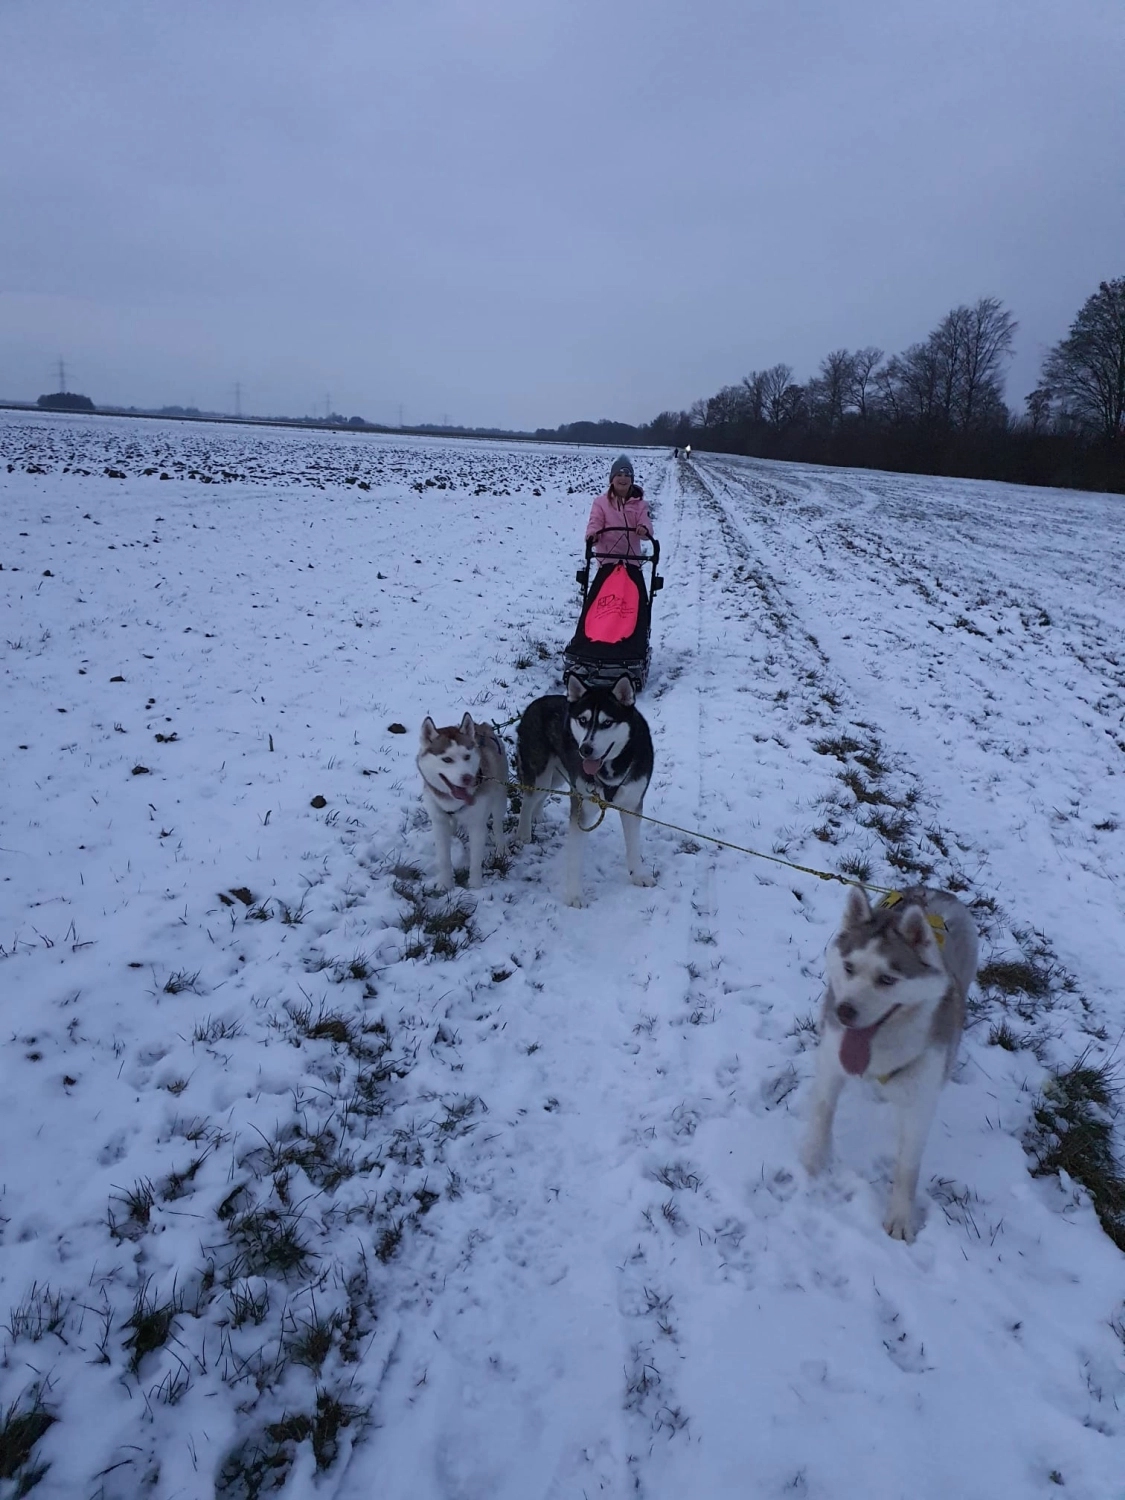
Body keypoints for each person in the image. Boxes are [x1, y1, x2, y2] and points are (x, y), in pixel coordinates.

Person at [585, 455, 654, 561]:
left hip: (632, 561)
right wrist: (592, 535)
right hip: (606, 561)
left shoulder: (640, 504)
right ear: (612, 479)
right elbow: (595, 522)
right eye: (619, 474)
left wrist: (644, 529)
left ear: (631, 480)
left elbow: (645, 521)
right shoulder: (600, 503)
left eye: (627, 475)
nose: (623, 478)